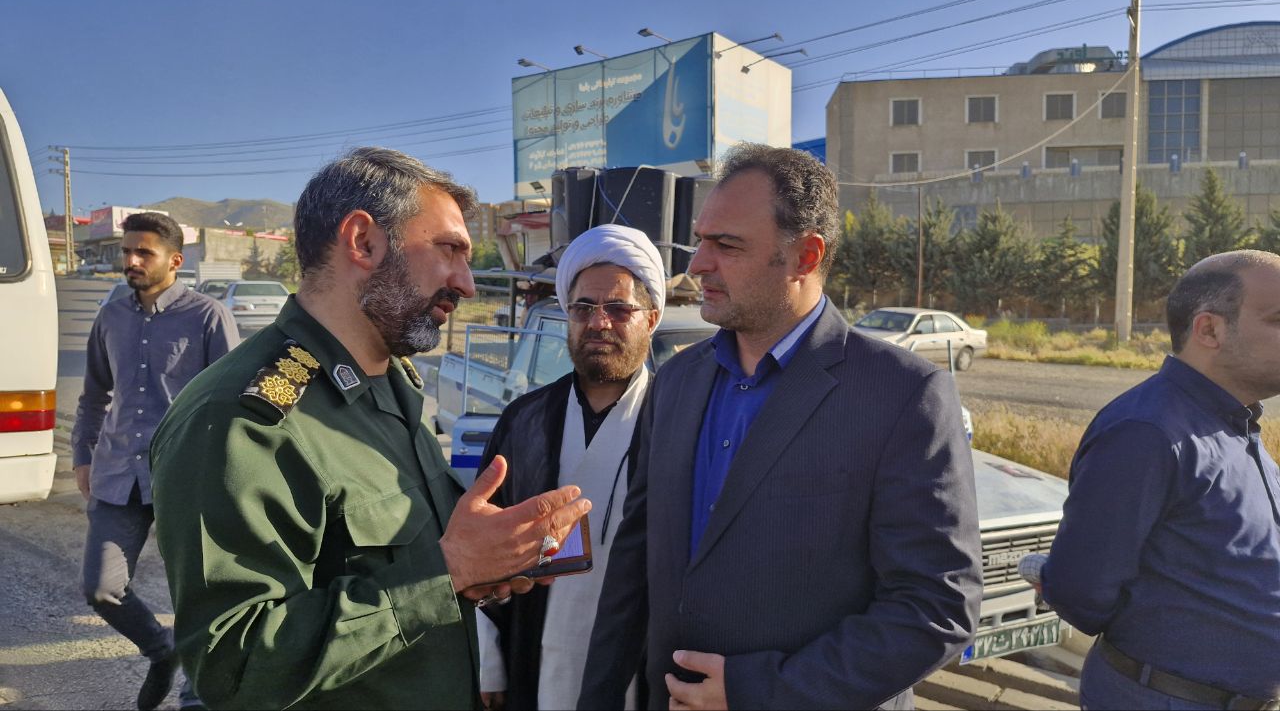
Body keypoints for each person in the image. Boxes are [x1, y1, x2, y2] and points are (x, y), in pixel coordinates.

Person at [149, 147, 591, 710]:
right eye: (449, 249)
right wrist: (448, 572)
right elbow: (233, 667)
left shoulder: (391, 380)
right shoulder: (241, 421)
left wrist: (483, 564)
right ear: (362, 242)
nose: (467, 283)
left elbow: (403, 563)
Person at [578, 144, 982, 710]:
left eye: (727, 245)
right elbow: (635, 562)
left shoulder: (903, 394)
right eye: (699, 241)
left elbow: (935, 607)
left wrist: (759, 689)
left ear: (805, 256)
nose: (697, 265)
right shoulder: (676, 381)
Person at [1038, 250, 1280, 710]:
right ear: (1209, 330)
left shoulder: (1234, 423)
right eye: (1278, 319)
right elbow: (1080, 591)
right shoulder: (1147, 432)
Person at [476, 224, 665, 710]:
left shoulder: (680, 420)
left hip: (644, 664)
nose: (599, 322)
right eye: (583, 308)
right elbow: (480, 542)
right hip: (533, 652)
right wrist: (487, 660)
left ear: (651, 318)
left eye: (618, 308)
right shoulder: (524, 421)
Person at [71, 211, 239, 711]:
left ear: (175, 260)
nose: (132, 261)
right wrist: (82, 455)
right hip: (117, 474)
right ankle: (161, 651)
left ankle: (195, 692)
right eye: (128, 251)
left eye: (144, 252)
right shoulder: (111, 318)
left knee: (196, 591)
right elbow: (93, 396)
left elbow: (231, 403)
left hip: (184, 478)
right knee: (101, 588)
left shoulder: (208, 316)